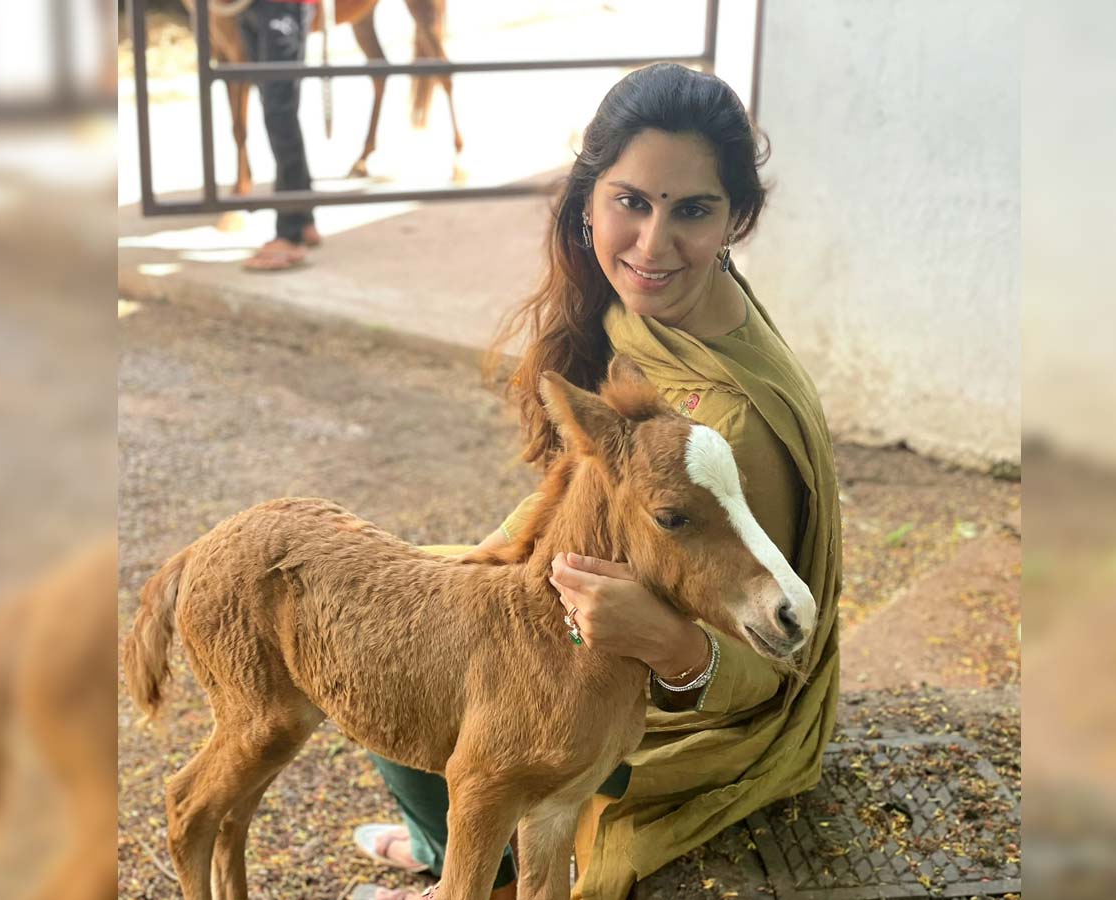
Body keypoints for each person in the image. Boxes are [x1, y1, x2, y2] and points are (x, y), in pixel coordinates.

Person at [352, 62, 843, 900]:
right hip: (605, 615)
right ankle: (459, 854)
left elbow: (773, 661)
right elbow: (601, 476)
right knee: (386, 611)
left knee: (450, 669)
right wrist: (511, 539)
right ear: (588, 200)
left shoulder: (730, 430)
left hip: (690, 712)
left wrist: (667, 642)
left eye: (693, 210)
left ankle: (476, 878)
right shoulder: (657, 311)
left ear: (737, 219)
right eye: (632, 202)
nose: (652, 245)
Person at [238, 0, 321, 271]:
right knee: (273, 103)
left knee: (279, 110)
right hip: (250, 6)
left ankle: (290, 233)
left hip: (282, 5)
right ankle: (303, 217)